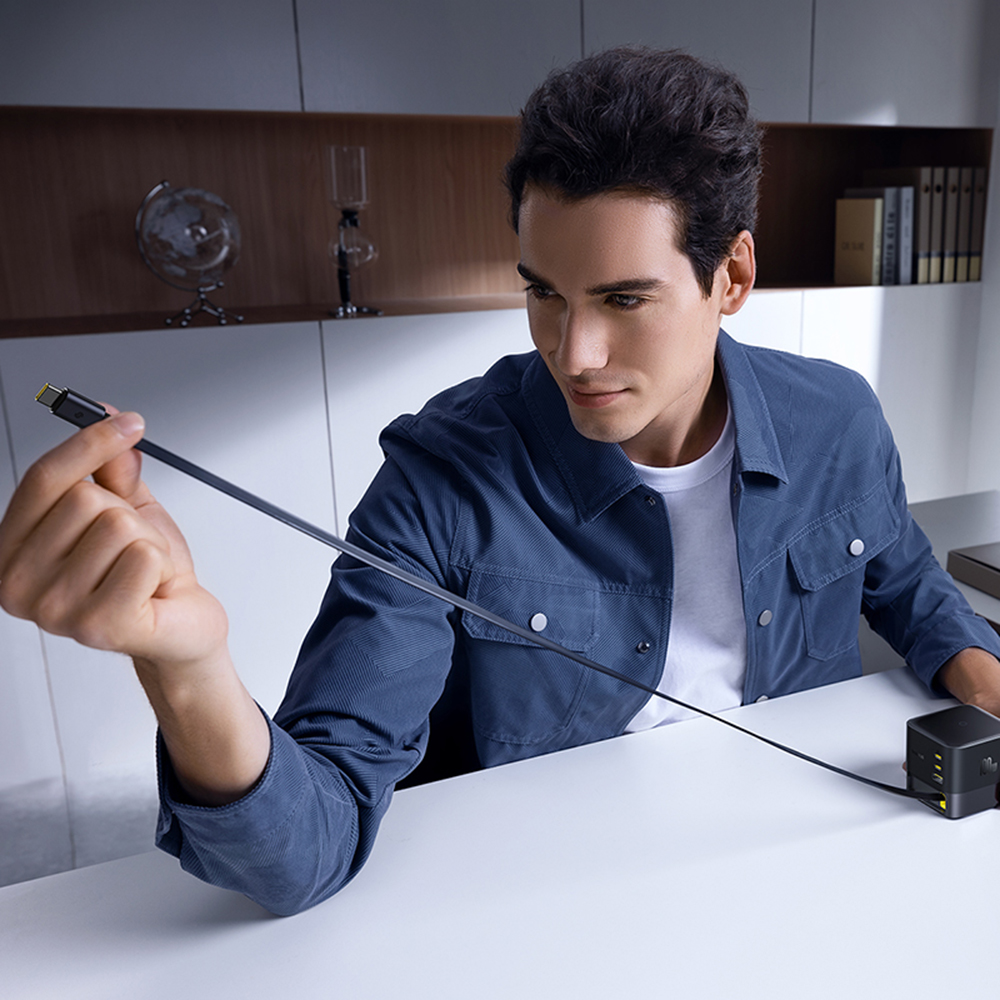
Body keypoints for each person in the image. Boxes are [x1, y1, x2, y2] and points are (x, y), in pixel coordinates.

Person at [2, 47, 1000, 915]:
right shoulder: (442, 476)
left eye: (623, 300)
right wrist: (186, 666)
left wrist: (973, 663)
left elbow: (904, 581)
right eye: (544, 293)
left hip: (811, 854)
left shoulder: (838, 417)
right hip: (552, 898)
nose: (576, 352)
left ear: (730, 278)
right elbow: (304, 848)